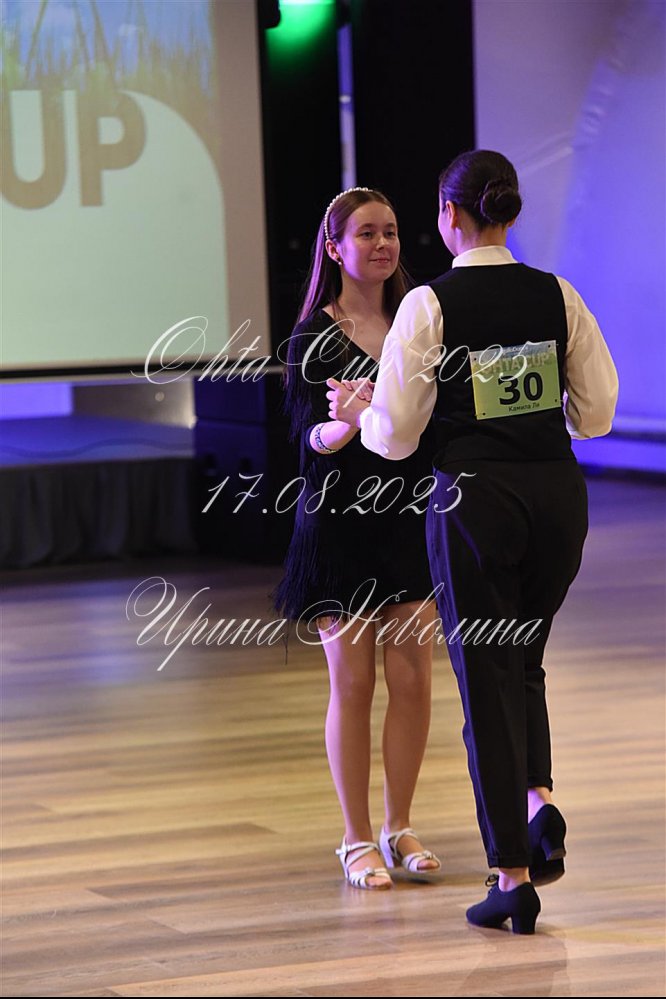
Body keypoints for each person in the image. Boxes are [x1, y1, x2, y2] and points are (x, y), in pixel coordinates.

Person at [327, 152, 618, 930]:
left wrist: (362, 413)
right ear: (508, 213)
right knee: (524, 660)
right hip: (558, 500)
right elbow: (597, 414)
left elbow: (395, 436)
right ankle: (538, 800)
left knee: (485, 677)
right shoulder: (557, 294)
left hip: (474, 503)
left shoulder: (430, 303)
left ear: (448, 215)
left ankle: (512, 876)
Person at [274, 187, 441, 890]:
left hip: (409, 518)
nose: (382, 244)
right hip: (339, 523)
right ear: (334, 247)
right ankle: (355, 837)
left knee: (414, 678)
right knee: (354, 681)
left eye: (391, 231)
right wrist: (344, 424)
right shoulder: (313, 335)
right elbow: (307, 436)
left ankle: (399, 826)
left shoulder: (419, 324)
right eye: (366, 233)